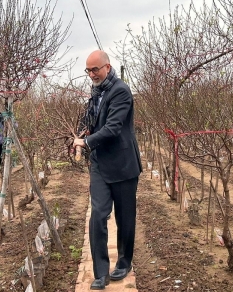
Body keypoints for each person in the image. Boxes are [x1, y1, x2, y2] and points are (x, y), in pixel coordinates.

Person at [73, 50, 142, 290]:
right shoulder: (96, 92)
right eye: (88, 70)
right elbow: (89, 120)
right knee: (98, 216)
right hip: (101, 165)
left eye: (96, 69)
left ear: (108, 68)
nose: (92, 74)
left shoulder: (121, 91)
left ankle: (124, 262)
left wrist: (87, 142)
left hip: (123, 165)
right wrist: (81, 133)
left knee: (125, 218)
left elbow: (113, 128)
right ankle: (100, 272)